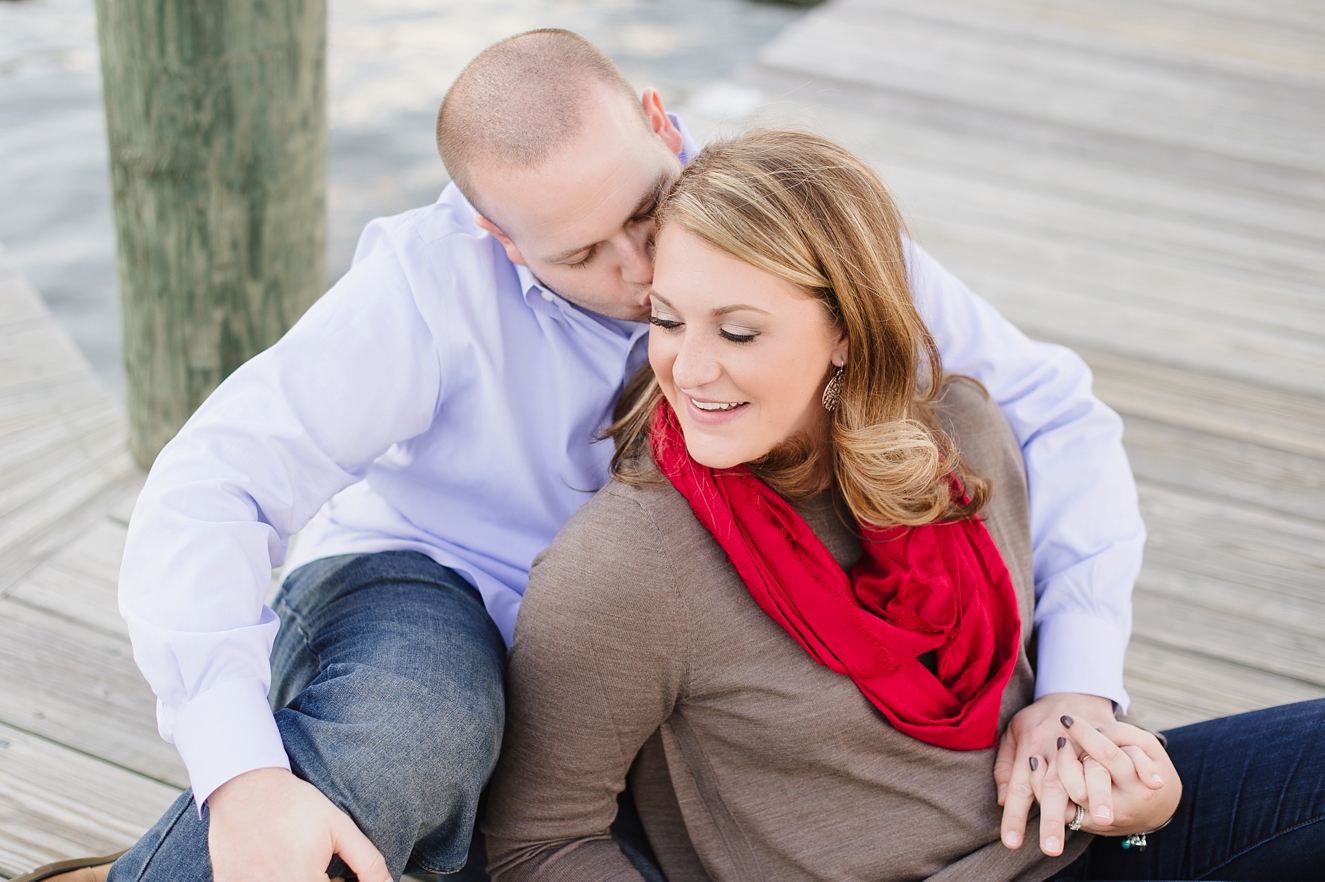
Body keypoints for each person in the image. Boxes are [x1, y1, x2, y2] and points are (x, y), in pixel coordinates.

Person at [16, 30, 1144, 882]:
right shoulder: (424, 287)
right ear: (495, 236)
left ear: (659, 120)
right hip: (447, 587)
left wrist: (1079, 685)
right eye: (583, 255)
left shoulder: (775, 223)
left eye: (647, 214)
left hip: (660, 643)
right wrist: (239, 772)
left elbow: (1046, 406)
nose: (646, 278)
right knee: (421, 734)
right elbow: (214, 480)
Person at [480, 129, 1325, 882]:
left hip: (1082, 845)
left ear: (847, 329)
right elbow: (536, 841)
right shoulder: (626, 568)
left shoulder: (961, 438)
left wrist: (1127, 798)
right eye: (666, 321)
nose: (689, 371)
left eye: (737, 332)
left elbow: (1058, 741)